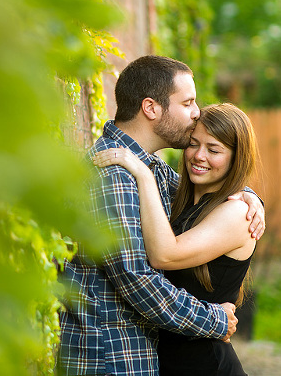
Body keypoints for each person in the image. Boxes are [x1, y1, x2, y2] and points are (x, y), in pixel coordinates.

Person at [57, 55, 265, 376]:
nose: (197, 113)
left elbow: (201, 189)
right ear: (151, 108)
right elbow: (139, 282)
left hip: (135, 354)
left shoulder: (147, 167)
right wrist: (215, 320)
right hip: (109, 357)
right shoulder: (115, 173)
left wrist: (249, 198)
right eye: (188, 102)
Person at [92, 103, 260, 375]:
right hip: (167, 361)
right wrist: (252, 194)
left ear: (236, 158)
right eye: (193, 144)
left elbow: (164, 255)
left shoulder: (237, 212)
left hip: (206, 365)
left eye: (214, 150)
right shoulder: (181, 196)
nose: (198, 156)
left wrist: (142, 174)